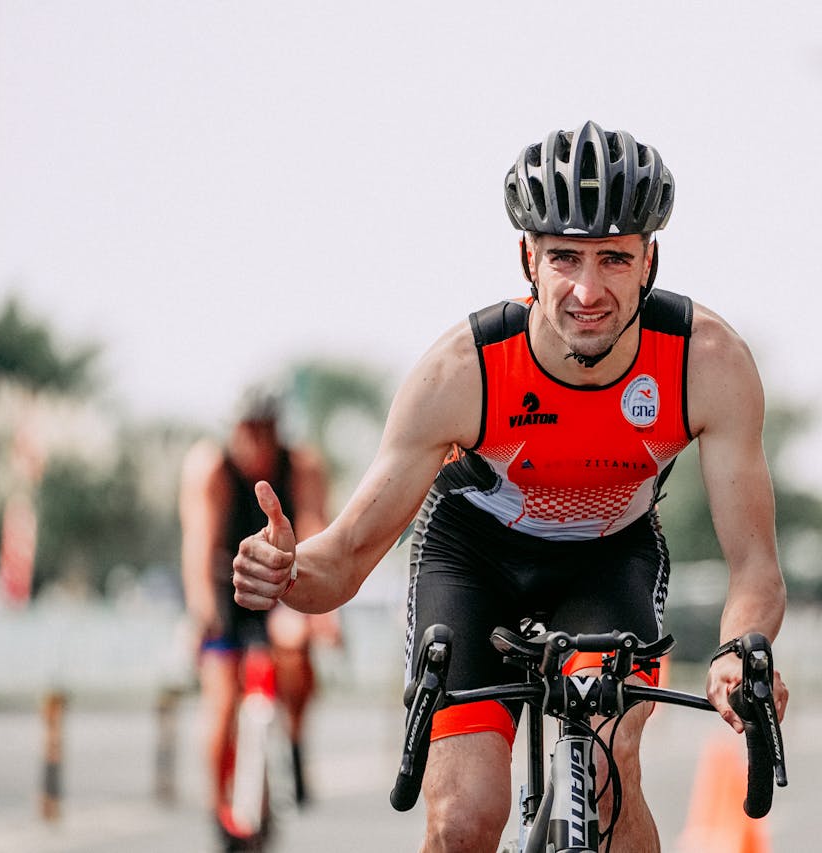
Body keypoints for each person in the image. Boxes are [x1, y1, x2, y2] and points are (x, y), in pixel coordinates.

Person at [231, 120, 789, 852]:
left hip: (608, 557)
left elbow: (753, 563)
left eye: (614, 259)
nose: (588, 290)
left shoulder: (705, 362)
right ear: (527, 257)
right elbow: (343, 559)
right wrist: (287, 570)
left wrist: (738, 651)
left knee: (608, 762)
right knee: (464, 818)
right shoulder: (462, 372)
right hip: (473, 558)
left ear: (650, 259)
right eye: (564, 257)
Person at [179, 385, 338, 847]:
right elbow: (198, 544)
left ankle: (293, 739)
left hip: (280, 580)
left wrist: (321, 611)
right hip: (223, 586)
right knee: (222, 700)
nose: (257, 444)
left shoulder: (302, 465)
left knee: (297, 650)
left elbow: (313, 528)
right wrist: (202, 610)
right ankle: (217, 806)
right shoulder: (210, 468)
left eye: (265, 432)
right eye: (248, 432)